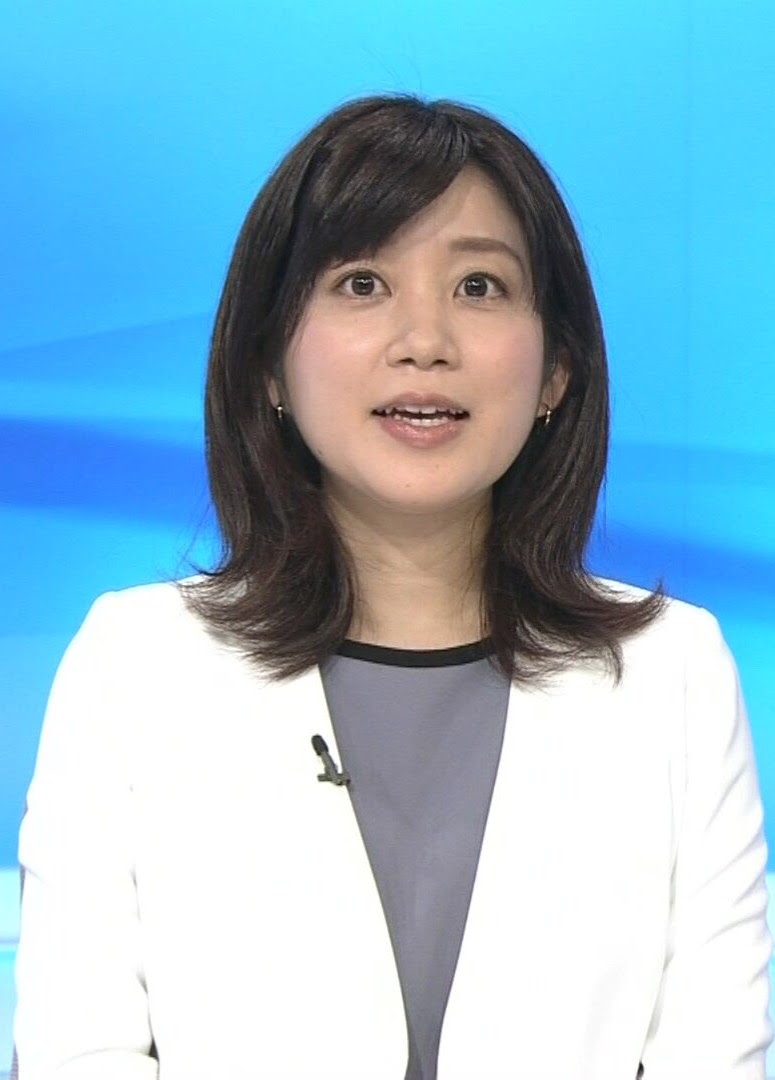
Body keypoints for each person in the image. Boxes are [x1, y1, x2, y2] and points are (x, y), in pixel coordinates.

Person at [11, 94, 773, 1079]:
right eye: (362, 282)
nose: (424, 339)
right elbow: (82, 1051)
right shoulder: (137, 665)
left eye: (479, 286)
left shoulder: (671, 672)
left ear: (556, 371)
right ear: (269, 364)